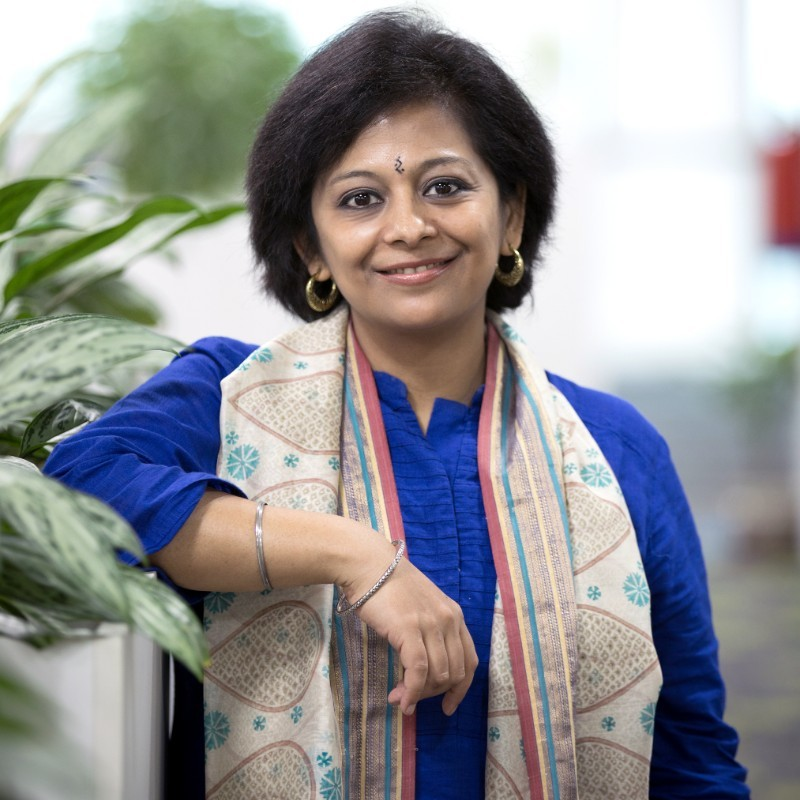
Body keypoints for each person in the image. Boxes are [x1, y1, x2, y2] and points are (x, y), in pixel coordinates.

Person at [45, 10, 749, 800]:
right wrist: (354, 556)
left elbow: (691, 760)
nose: (408, 227)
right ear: (310, 246)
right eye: (360, 199)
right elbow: (75, 491)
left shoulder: (616, 448)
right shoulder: (228, 400)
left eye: (445, 187)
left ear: (511, 216)